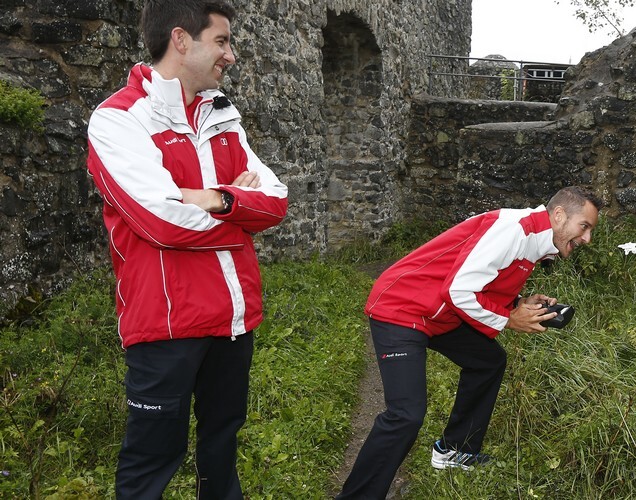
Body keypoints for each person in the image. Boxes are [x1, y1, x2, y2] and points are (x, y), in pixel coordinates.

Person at [85, 1, 288, 497]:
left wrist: (215, 198)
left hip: (233, 318)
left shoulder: (222, 115)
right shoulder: (119, 119)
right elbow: (161, 223)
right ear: (181, 39)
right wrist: (238, 212)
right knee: (151, 460)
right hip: (166, 323)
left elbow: (277, 202)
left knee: (221, 448)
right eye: (221, 41)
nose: (231, 55)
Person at [337, 186, 603, 499]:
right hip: (402, 307)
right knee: (406, 415)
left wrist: (517, 302)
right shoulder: (514, 231)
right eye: (584, 227)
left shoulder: (536, 242)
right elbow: (459, 290)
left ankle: (455, 451)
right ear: (559, 216)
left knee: (488, 361)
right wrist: (508, 319)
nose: (586, 238)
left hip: (443, 315)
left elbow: (480, 281)